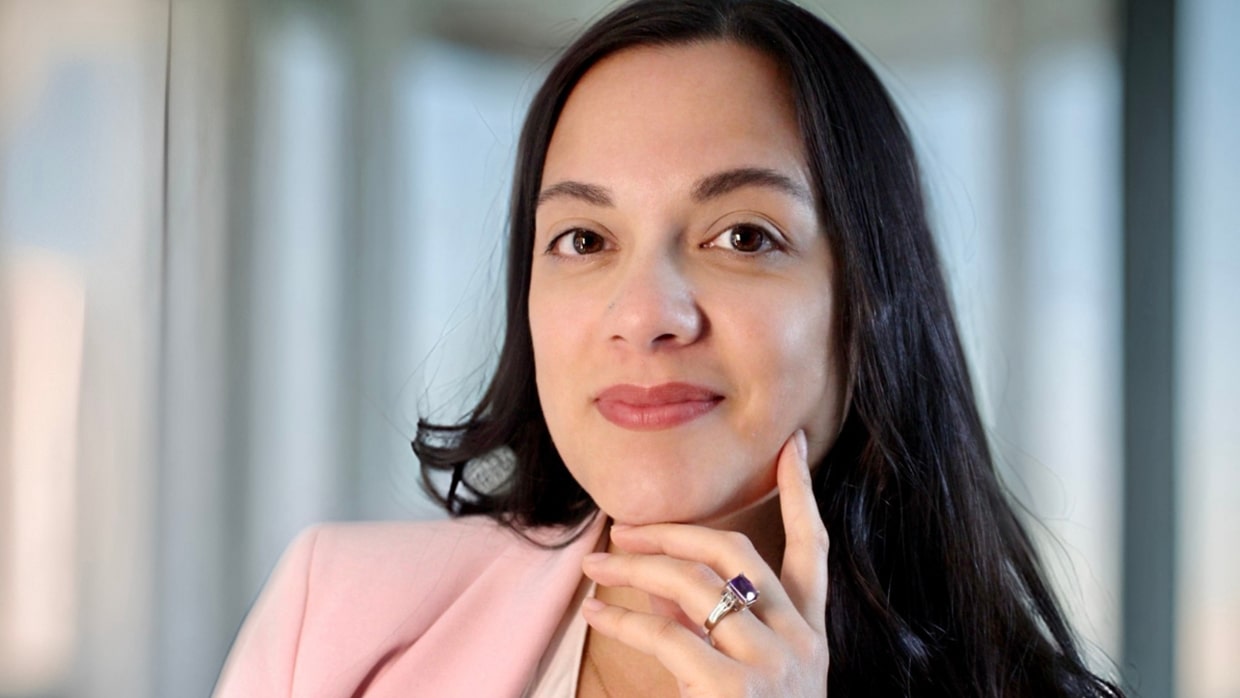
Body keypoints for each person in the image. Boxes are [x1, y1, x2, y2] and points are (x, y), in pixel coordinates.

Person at [214, 0, 1125, 696]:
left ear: (872, 302)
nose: (645, 314)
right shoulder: (332, 625)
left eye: (743, 237)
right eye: (583, 239)